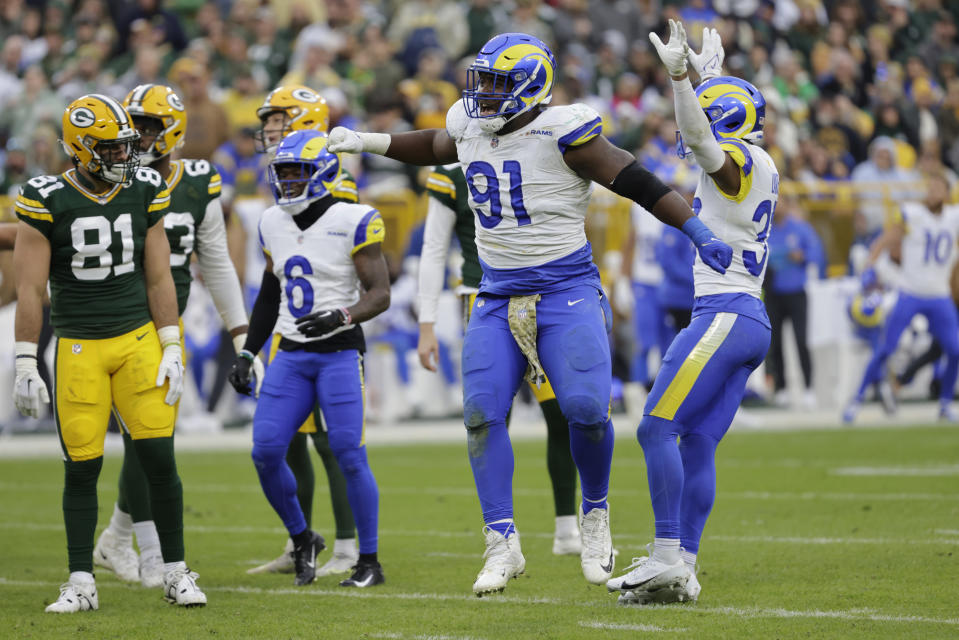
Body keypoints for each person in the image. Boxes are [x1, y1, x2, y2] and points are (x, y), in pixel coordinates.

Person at [327, 31, 733, 596]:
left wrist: (695, 229)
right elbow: (434, 144)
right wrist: (366, 141)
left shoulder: (564, 132)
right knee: (479, 415)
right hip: (495, 295)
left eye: (495, 84)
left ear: (530, 87)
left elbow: (637, 181)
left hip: (566, 289)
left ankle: (594, 515)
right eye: (483, 81)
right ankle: (502, 541)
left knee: (587, 411)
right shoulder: (471, 126)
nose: (483, 94)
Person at [13, 93, 206, 611]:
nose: (127, 156)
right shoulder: (46, 195)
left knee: (158, 459)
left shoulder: (144, 188)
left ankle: (175, 570)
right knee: (82, 466)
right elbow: (29, 289)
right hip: (79, 346)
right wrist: (25, 358)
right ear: (81, 150)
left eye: (127, 146)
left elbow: (159, 273)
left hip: (138, 339)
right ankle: (81, 580)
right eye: (113, 148)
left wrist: (170, 343)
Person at [606, 22, 777, 605]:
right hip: (748, 317)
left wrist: (681, 77)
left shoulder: (735, 161)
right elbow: (712, 129)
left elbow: (706, 141)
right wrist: (705, 78)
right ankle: (685, 566)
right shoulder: (755, 159)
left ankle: (667, 554)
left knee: (656, 427)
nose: (690, 128)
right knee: (697, 442)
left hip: (724, 313)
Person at [91, 84, 260, 588]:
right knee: (147, 442)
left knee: (152, 440)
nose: (139, 135)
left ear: (173, 130)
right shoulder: (109, 180)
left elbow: (216, 262)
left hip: (169, 324)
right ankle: (149, 552)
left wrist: (242, 333)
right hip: (115, 322)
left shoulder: (200, 180)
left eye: (148, 125)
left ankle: (118, 540)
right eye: (133, 124)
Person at [228, 129, 391, 588]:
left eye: (297, 171)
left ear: (322, 171)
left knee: (348, 454)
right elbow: (269, 293)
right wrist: (247, 351)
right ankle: (302, 538)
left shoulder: (355, 218)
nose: (289, 181)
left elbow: (380, 294)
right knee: (265, 450)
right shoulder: (271, 222)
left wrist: (342, 315)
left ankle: (369, 560)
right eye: (283, 172)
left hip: (338, 352)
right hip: (292, 353)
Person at [415, 162, 581, 555]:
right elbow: (434, 246)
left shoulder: (536, 146)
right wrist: (426, 322)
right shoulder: (452, 170)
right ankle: (500, 531)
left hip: (544, 296)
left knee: (562, 413)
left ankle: (566, 528)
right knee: (490, 417)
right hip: (484, 297)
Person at [245, 84, 361, 577]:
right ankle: (301, 542)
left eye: (280, 119)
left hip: (328, 330)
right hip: (287, 326)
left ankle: (351, 546)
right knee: (287, 438)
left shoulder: (335, 183)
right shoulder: (281, 180)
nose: (270, 128)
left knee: (330, 442)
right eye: (269, 121)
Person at [843, 170, 959, 423]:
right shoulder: (912, 214)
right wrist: (870, 265)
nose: (933, 193)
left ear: (947, 193)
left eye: (938, 188)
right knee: (886, 348)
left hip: (940, 295)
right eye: (931, 188)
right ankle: (856, 401)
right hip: (911, 292)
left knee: (955, 349)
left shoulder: (953, 217)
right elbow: (886, 240)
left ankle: (945, 404)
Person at [765, 199, 823, 409]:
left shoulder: (800, 228)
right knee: (775, 342)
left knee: (801, 340)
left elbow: (817, 253)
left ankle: (808, 388)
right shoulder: (764, 229)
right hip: (773, 294)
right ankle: (782, 388)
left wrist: (802, 256)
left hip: (796, 292)